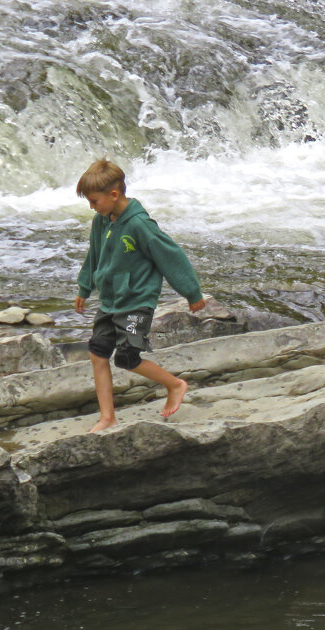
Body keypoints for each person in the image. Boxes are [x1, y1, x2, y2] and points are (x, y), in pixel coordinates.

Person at [73, 159, 206, 432]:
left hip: (137, 303)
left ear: (114, 194)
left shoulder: (140, 225)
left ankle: (175, 384)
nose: (91, 207)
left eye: (94, 201)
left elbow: (171, 256)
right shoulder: (101, 222)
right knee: (98, 353)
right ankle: (107, 417)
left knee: (126, 358)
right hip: (111, 302)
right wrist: (84, 288)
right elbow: (93, 256)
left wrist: (192, 292)